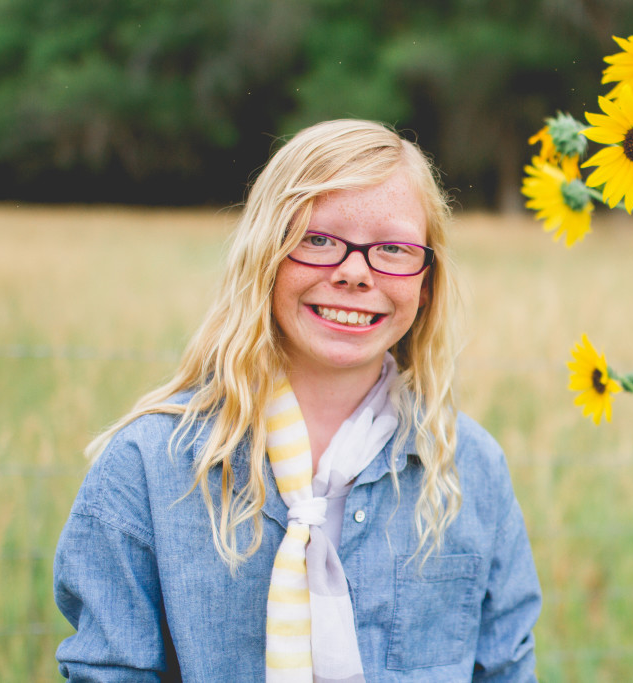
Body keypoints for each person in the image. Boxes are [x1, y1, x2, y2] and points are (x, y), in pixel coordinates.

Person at [53, 119, 541, 682]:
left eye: (393, 248)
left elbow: (506, 671)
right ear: (265, 255)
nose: (355, 273)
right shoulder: (147, 467)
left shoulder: (471, 469)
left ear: (425, 281)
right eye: (318, 240)